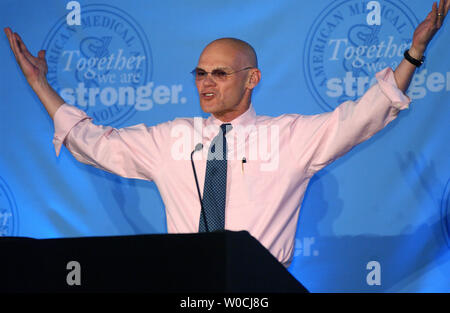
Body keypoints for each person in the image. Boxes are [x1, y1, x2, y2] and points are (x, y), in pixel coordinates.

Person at [4, 1, 449, 268]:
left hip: (263, 290)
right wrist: (39, 85)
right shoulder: (171, 138)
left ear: (251, 78)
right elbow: (93, 142)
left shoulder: (290, 137)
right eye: (200, 73)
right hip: (187, 288)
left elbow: (363, 116)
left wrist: (414, 53)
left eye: (219, 73)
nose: (205, 83)